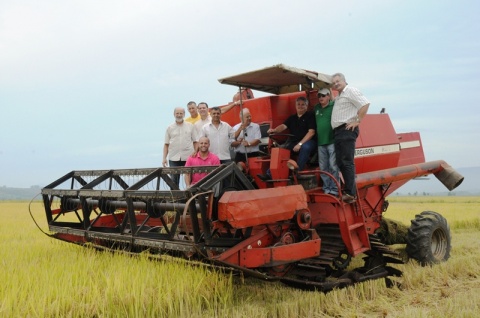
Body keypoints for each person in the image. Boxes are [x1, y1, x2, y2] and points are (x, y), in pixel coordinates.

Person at [331, 73, 370, 204]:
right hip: (338, 132)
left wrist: (357, 121)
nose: (336, 84)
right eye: (334, 82)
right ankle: (348, 190)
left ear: (344, 81)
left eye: (338, 81)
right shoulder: (339, 96)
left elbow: (365, 104)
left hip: (346, 130)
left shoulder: (351, 90)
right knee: (341, 161)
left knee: (346, 161)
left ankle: (350, 193)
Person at [267, 96, 316, 171]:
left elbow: (311, 132)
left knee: (305, 147)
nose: (300, 106)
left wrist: (300, 144)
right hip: (294, 141)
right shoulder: (292, 118)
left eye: (303, 104)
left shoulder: (311, 116)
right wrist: (274, 130)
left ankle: (298, 170)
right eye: (298, 104)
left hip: (309, 141)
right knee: (280, 149)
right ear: (295, 106)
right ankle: (271, 173)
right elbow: (283, 126)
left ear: (307, 106)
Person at [162, 107, 198, 187]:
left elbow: (195, 141)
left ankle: (191, 196)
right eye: (177, 113)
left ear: (184, 114)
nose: (179, 115)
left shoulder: (190, 126)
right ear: (174, 114)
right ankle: (176, 198)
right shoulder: (169, 127)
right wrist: (164, 158)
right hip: (173, 157)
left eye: (181, 113)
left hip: (188, 156)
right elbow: (166, 144)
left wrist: (196, 152)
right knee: (174, 180)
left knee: (190, 179)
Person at [314, 88, 340, 195]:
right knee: (323, 167)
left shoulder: (333, 106)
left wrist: (330, 88)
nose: (321, 98)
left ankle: (334, 189)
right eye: (319, 96)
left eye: (324, 95)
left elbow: (336, 101)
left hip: (331, 141)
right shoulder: (316, 108)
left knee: (333, 166)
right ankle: (326, 187)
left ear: (329, 96)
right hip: (320, 142)